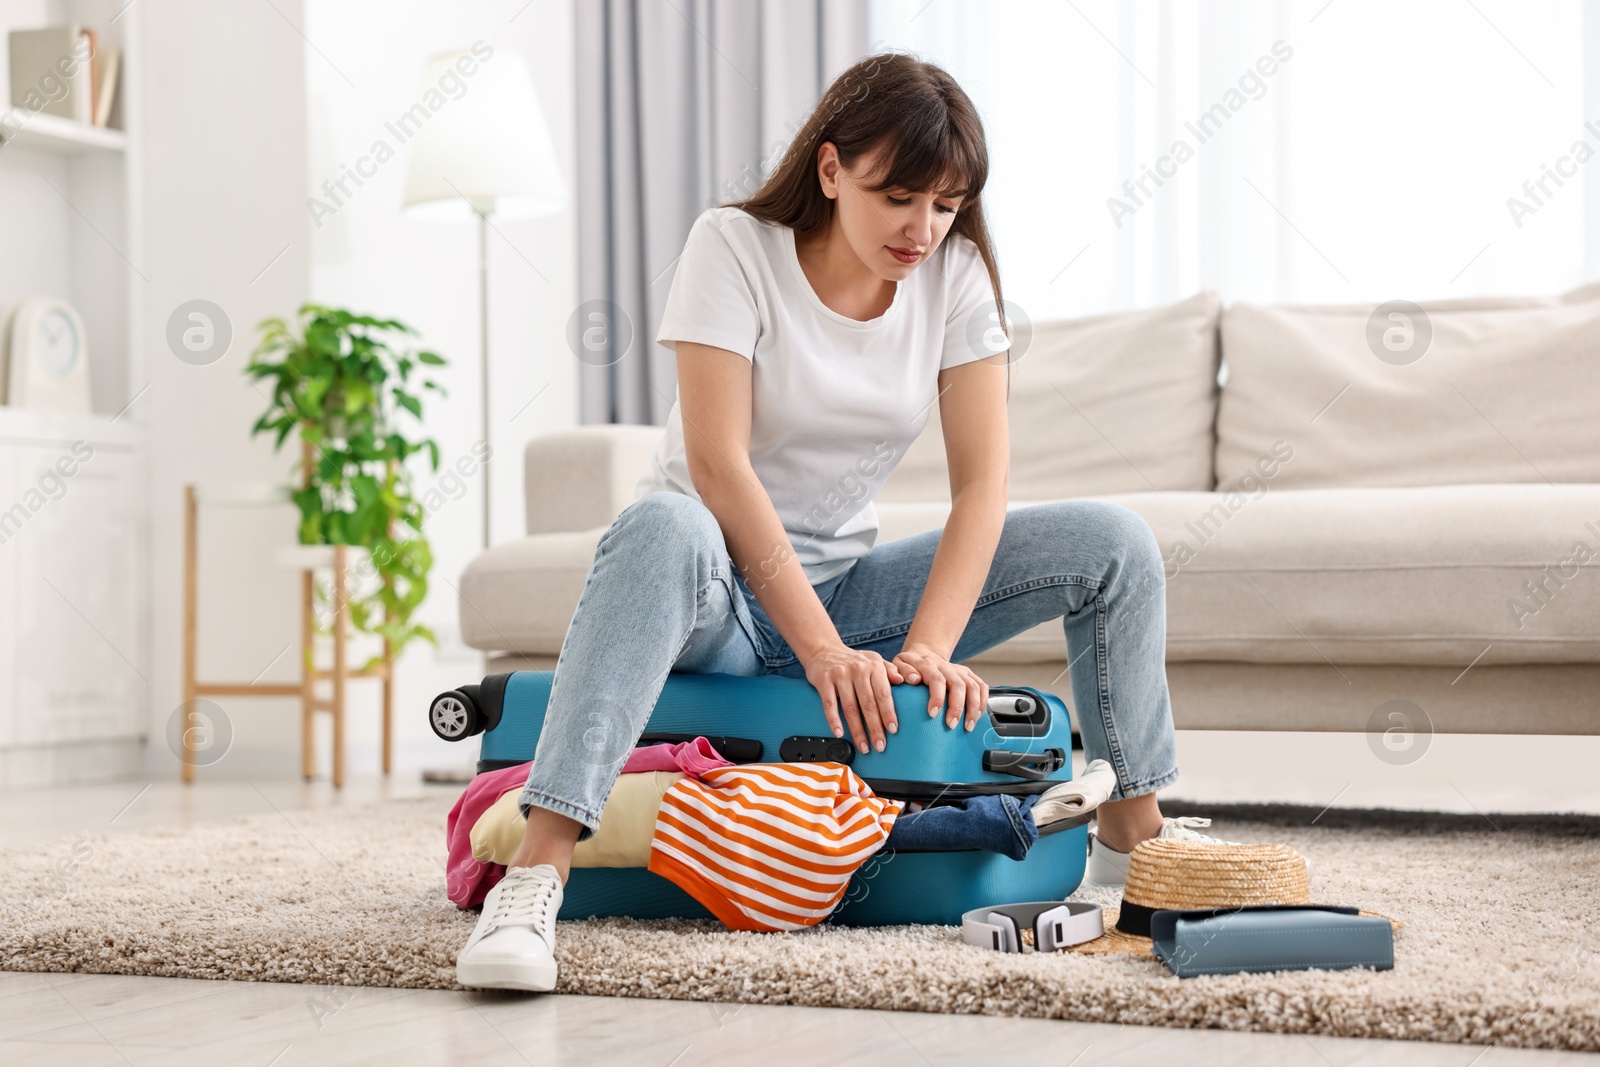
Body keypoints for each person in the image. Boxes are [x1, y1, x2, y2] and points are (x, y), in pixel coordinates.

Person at [454, 51, 1228, 993]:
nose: (923, 228)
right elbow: (716, 465)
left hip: (848, 593)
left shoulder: (957, 275)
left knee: (1115, 544)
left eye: (946, 204)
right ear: (830, 170)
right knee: (667, 520)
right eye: (899, 196)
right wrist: (821, 652)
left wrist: (929, 648)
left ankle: (1132, 844)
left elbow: (982, 487)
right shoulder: (731, 247)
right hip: (712, 595)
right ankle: (535, 879)